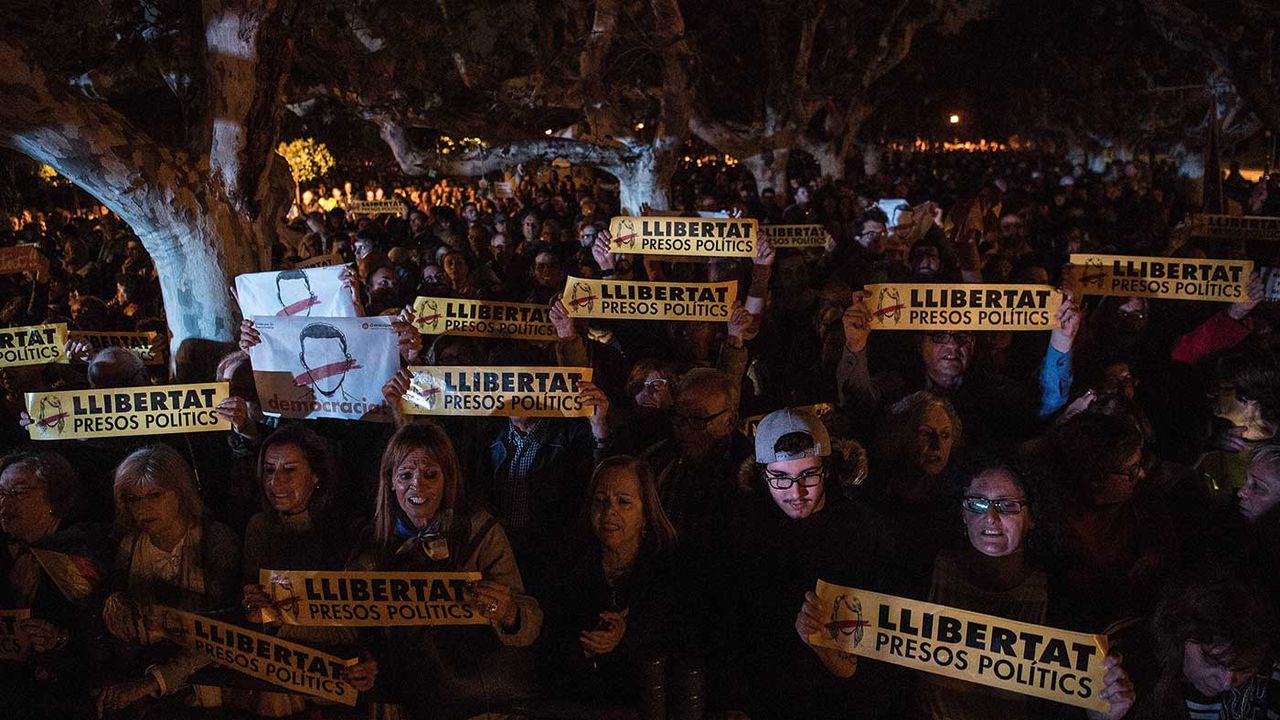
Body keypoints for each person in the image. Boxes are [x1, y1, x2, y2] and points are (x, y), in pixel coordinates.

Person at [349, 422, 542, 720]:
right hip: (401, 694)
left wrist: (508, 612)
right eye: (406, 475)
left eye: (430, 475)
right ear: (390, 481)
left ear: (446, 480)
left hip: (469, 695)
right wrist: (363, 658)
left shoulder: (480, 531)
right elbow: (346, 617)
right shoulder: (372, 543)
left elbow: (529, 623)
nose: (417, 486)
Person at [713, 407, 887, 718]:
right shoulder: (743, 528)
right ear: (762, 474)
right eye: (780, 477)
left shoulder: (862, 529)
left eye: (808, 474)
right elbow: (729, 622)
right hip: (766, 696)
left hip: (840, 701)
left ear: (828, 469)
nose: (797, 492)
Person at [538, 456, 694, 712]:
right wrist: (586, 650)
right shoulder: (568, 566)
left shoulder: (669, 569)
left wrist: (626, 634)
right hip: (576, 704)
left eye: (624, 502)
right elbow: (550, 646)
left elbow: (680, 642)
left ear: (645, 513)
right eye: (600, 501)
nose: (610, 511)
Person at [97, 444, 241, 715]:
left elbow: (224, 630)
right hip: (147, 673)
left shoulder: (215, 539)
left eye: (154, 495)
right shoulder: (130, 545)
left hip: (210, 681)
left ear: (180, 493)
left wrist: (155, 681)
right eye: (134, 499)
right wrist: (115, 600)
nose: (143, 508)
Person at [239, 425, 372, 716]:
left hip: (340, 669)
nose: (276, 481)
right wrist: (253, 606)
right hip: (283, 670)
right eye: (269, 470)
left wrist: (369, 660)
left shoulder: (352, 530)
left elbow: (371, 611)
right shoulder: (259, 528)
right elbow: (257, 613)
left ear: (316, 476)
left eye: (289, 470)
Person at [0, 450, 110, 717]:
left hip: (60, 698)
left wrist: (59, 639)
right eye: (1, 493)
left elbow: (100, 645)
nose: (4, 505)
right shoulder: (5, 551)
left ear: (54, 500)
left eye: (19, 492)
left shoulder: (78, 553)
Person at [1138, 580, 1280, 719]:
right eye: (1213, 660)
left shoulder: (1271, 675)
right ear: (1183, 636)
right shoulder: (1137, 682)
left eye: (1244, 668)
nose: (1226, 684)